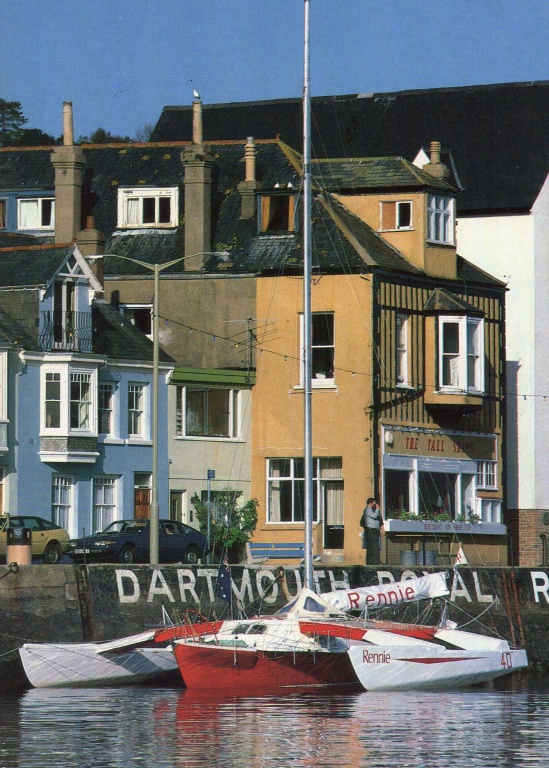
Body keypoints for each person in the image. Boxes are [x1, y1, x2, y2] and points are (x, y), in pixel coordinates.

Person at [360, 497, 382, 565]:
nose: (375, 504)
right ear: (370, 503)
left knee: (371, 546)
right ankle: (375, 562)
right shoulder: (368, 509)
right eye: (374, 503)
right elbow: (374, 516)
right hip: (371, 530)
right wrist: (377, 509)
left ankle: (371, 562)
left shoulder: (371, 510)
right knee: (375, 545)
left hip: (373, 530)